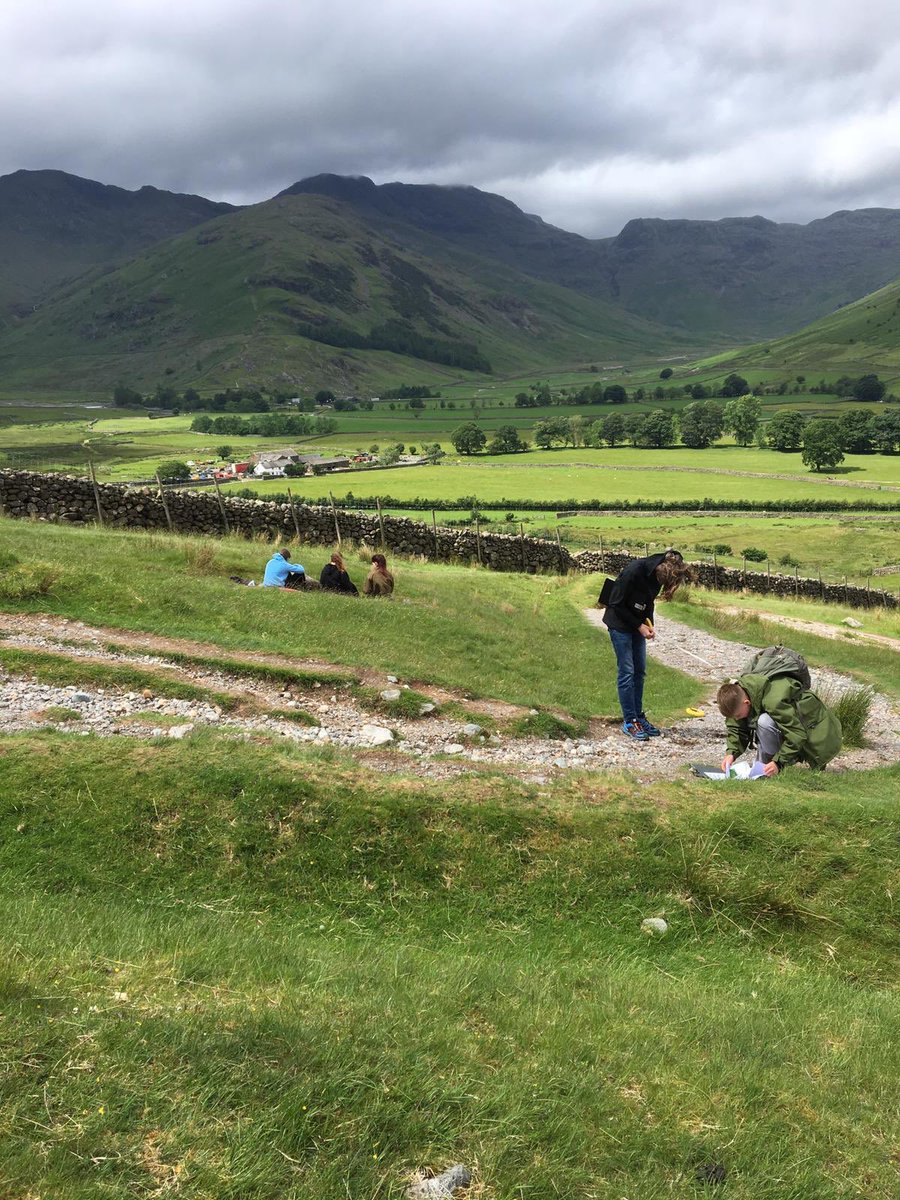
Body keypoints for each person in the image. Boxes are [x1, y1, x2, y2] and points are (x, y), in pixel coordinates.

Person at [601, 549, 692, 741]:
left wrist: (649, 623)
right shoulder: (634, 571)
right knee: (627, 671)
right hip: (619, 624)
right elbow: (615, 603)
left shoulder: (658, 575)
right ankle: (629, 721)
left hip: (637, 626)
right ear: (662, 570)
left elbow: (648, 602)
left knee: (640, 671)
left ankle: (638, 716)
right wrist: (638, 626)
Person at [717, 672, 842, 777]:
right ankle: (764, 768)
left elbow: (797, 734)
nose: (736, 719)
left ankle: (770, 767)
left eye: (738, 716)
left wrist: (778, 763)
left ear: (747, 702)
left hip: (815, 735)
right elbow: (736, 727)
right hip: (786, 730)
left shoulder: (774, 701)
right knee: (761, 720)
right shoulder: (738, 694)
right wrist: (731, 754)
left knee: (764, 721)